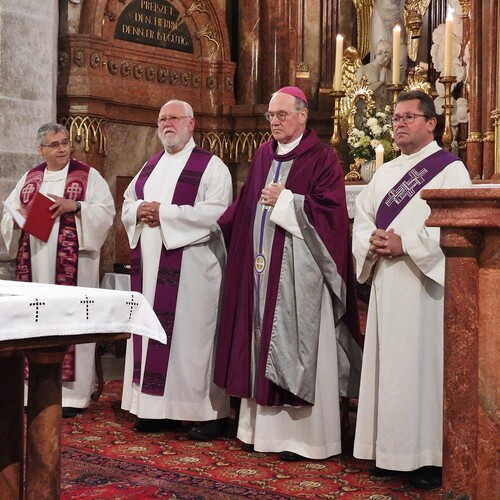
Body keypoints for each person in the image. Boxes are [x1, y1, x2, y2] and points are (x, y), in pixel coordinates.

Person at [213, 86, 363, 461]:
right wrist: (215, 228)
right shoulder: (263, 154)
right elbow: (245, 206)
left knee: (297, 346)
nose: (275, 122)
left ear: (302, 115)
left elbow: (331, 215)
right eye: (271, 116)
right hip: (258, 273)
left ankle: (302, 439)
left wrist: (288, 201)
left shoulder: (322, 158)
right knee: (257, 342)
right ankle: (258, 432)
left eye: (282, 115)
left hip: (300, 278)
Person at [352, 90, 472, 489]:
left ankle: (426, 458)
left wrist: (407, 244)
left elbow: (458, 225)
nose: (399, 124)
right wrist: (371, 241)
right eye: (396, 118)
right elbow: (363, 218)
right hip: (388, 281)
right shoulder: (385, 172)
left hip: (424, 287)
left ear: (431, 123)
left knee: (421, 369)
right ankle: (389, 451)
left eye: (408, 117)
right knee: (389, 369)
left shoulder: (450, 169)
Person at [121, 99, 232, 439]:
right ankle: (154, 410)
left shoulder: (212, 167)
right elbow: (128, 202)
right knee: (152, 333)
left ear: (191, 123)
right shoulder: (150, 166)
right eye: (162, 119)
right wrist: (139, 210)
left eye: (174, 118)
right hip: (150, 269)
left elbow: (218, 213)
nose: (167, 124)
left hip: (194, 272)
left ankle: (205, 413)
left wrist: (164, 214)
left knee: (192, 341)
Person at [1, 122, 115, 418]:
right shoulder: (30, 178)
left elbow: (105, 212)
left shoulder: (88, 176)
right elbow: (8, 213)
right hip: (35, 264)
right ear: (41, 149)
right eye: (55, 144)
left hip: (74, 268)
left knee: (71, 321)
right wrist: (16, 217)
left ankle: (73, 396)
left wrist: (75, 206)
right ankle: (32, 393)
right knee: (37, 324)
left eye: (65, 142)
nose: (63, 148)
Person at [356, 39, 392, 110]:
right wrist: (381, 83)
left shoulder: (389, 72)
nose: (386, 60)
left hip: (385, 112)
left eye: (388, 58)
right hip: (366, 111)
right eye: (385, 56)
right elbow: (360, 93)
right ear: (378, 53)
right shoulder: (363, 70)